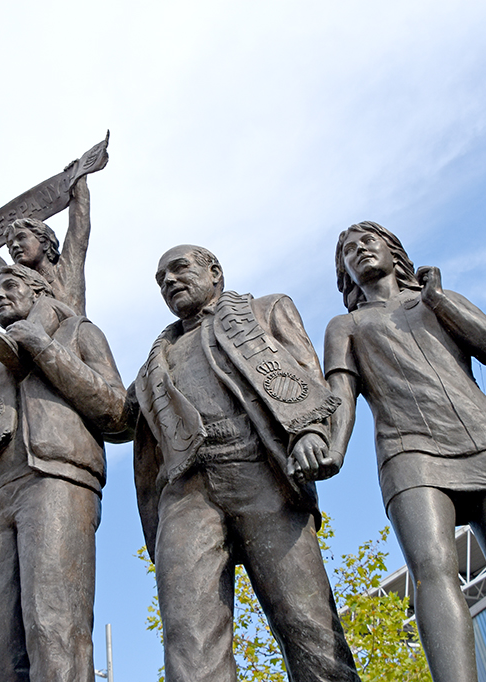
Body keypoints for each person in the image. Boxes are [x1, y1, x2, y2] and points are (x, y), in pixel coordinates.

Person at [322, 221, 486, 682]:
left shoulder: (438, 301)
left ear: (394, 251)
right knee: (433, 572)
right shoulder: (346, 326)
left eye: (366, 243)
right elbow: (339, 396)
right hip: (408, 453)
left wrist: (441, 299)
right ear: (346, 276)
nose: (358, 252)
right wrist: (332, 450)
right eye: (348, 253)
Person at [128, 244, 360, 682]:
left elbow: (308, 375)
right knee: (190, 641)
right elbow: (116, 417)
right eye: (161, 281)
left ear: (215, 272)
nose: (170, 282)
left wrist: (310, 431)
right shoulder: (153, 364)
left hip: (261, 473)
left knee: (308, 626)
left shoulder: (266, 310)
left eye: (179, 270)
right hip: (186, 490)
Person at [0, 263, 127, 682]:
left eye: (10, 286)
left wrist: (43, 348)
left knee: (53, 630)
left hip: (55, 478)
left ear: (39, 291)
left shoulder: (78, 332)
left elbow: (119, 415)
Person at [0, 175, 92, 315]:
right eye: (9, 245)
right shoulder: (21, 283)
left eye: (21, 238)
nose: (14, 246)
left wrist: (78, 180)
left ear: (45, 242)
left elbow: (79, 226)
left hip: (75, 334)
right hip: (38, 336)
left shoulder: (67, 270)